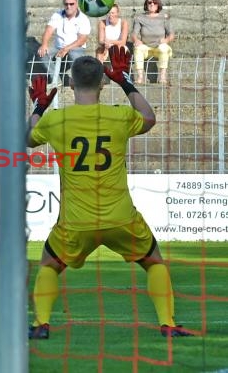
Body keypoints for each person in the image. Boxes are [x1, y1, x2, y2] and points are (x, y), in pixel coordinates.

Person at [26, 46, 193, 339]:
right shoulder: (118, 116)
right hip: (120, 217)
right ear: (103, 82)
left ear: (71, 84)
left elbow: (28, 138)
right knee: (154, 261)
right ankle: (167, 324)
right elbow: (149, 117)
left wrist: (40, 106)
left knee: (49, 266)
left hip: (75, 222)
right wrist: (125, 81)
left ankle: (41, 325)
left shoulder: (56, 120)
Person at [34, 0, 91, 86]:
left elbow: (82, 40)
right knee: (41, 53)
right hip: (58, 47)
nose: (68, 6)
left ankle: (79, 81)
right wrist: (44, 44)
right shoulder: (57, 15)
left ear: (77, 4)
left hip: (76, 48)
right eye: (66, 4)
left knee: (74, 53)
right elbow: (48, 30)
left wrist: (67, 48)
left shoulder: (83, 19)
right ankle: (57, 79)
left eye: (71, 4)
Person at [131, 0, 174, 84]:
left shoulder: (164, 17)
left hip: (159, 47)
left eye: (154, 3)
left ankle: (162, 76)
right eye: (149, 2)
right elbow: (134, 34)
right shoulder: (139, 17)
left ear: (158, 4)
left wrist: (165, 40)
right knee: (138, 49)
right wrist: (136, 40)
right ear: (146, 4)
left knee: (164, 48)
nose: (152, 4)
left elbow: (171, 35)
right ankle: (140, 77)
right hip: (146, 48)